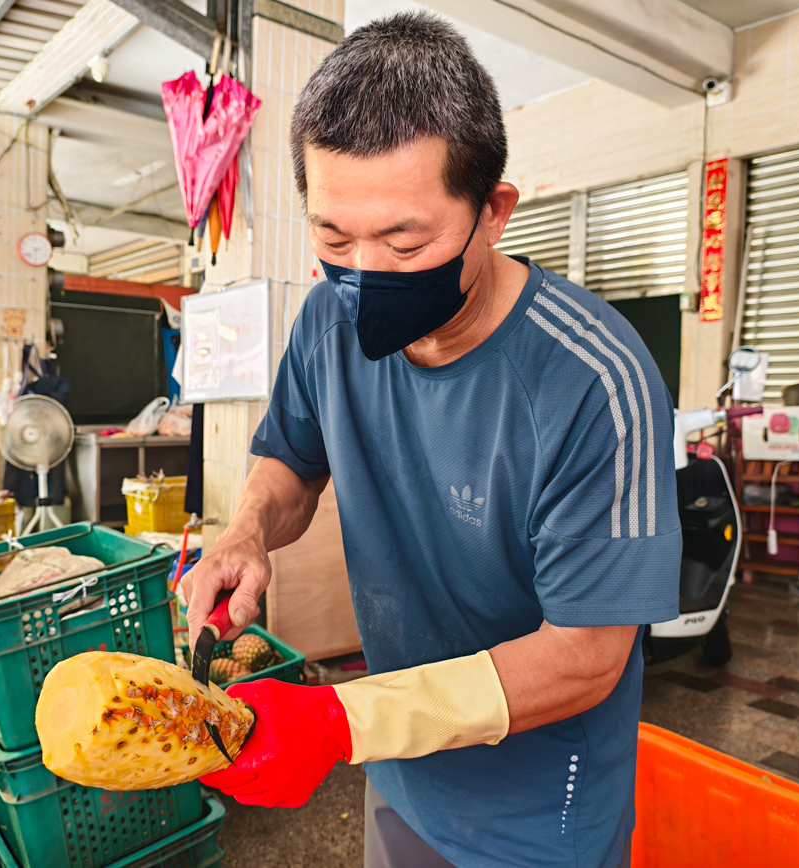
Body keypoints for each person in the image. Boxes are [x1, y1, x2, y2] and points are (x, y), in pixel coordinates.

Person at [184, 13, 680, 868]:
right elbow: (291, 461)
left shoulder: (594, 381)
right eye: (333, 237)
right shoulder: (325, 326)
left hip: (537, 815)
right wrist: (247, 531)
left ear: (493, 213)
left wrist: (341, 720)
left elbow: (587, 656)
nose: (362, 273)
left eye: (406, 241)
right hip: (399, 767)